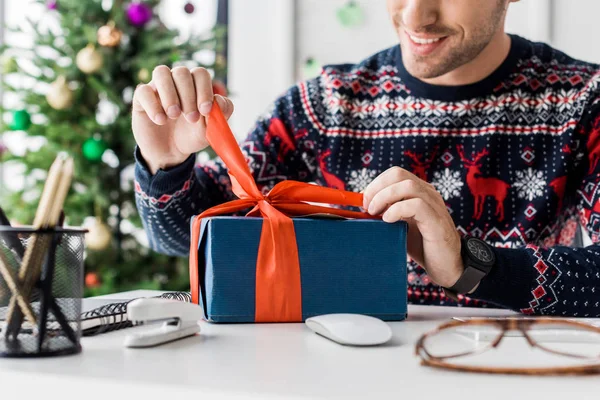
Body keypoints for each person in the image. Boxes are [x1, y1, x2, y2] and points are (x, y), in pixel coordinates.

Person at [132, 0, 600, 317]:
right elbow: (181, 235)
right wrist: (165, 163)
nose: (416, 17)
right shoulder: (320, 108)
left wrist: (471, 267)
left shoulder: (585, 105)